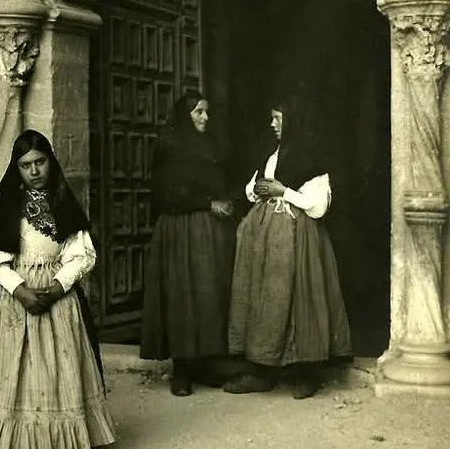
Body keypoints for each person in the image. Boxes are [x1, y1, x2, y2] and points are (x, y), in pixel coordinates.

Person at [0, 130, 115, 449]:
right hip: (17, 300)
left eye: (40, 162)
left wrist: (59, 287)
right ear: (16, 169)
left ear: (51, 163)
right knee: (22, 376)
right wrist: (20, 290)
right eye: (25, 165)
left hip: (57, 297)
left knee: (59, 372)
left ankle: (60, 447)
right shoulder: (8, 206)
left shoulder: (62, 202)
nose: (34, 171)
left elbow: (82, 254)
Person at [224, 94, 352, 400]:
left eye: (278, 118)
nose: (272, 124)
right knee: (266, 298)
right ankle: (261, 371)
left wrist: (284, 191)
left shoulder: (311, 157)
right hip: (266, 235)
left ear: (293, 120)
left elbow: (318, 205)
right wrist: (258, 189)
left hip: (298, 235)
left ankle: (306, 374)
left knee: (299, 299)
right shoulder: (271, 154)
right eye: (272, 118)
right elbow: (253, 186)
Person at [140, 92, 237, 396]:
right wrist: (208, 203)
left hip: (208, 232)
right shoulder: (169, 144)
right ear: (185, 116)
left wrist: (225, 201)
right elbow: (166, 193)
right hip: (180, 229)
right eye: (198, 112)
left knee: (207, 297)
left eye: (206, 112)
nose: (205, 118)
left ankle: (203, 364)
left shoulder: (209, 144)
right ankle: (181, 370)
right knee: (182, 297)